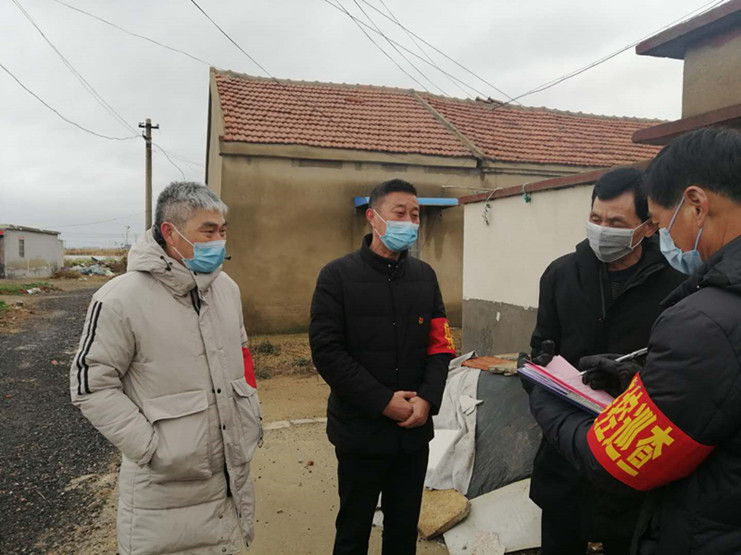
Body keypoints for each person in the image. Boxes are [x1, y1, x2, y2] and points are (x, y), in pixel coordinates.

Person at [527, 127, 741, 554]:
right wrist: (638, 379)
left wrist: (544, 401)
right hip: (571, 476)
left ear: (696, 206)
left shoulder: (697, 308)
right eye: (596, 219)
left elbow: (617, 460)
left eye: (662, 225)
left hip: (675, 505)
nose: (670, 240)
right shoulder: (561, 274)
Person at [70, 182, 261, 555]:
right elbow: (91, 385)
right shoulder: (120, 298)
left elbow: (241, 356)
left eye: (222, 231)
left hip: (228, 476)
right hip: (162, 491)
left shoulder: (226, 289)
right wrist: (152, 448)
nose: (219, 241)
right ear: (170, 233)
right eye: (208, 231)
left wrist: (250, 415)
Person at [523, 168, 685, 554]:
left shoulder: (675, 284)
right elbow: (540, 346)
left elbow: (680, 374)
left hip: (633, 455)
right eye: (596, 218)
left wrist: (632, 378)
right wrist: (538, 370)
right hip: (565, 453)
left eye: (616, 223)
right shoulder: (561, 274)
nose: (602, 230)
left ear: (648, 226)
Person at [309, 179, 456, 555]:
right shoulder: (336, 277)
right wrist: (382, 401)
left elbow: (441, 345)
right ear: (373, 217)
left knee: (403, 530)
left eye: (415, 215)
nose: (409, 222)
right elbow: (327, 352)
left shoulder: (425, 277)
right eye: (400, 213)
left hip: (412, 433)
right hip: (359, 431)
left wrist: (427, 399)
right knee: (353, 528)